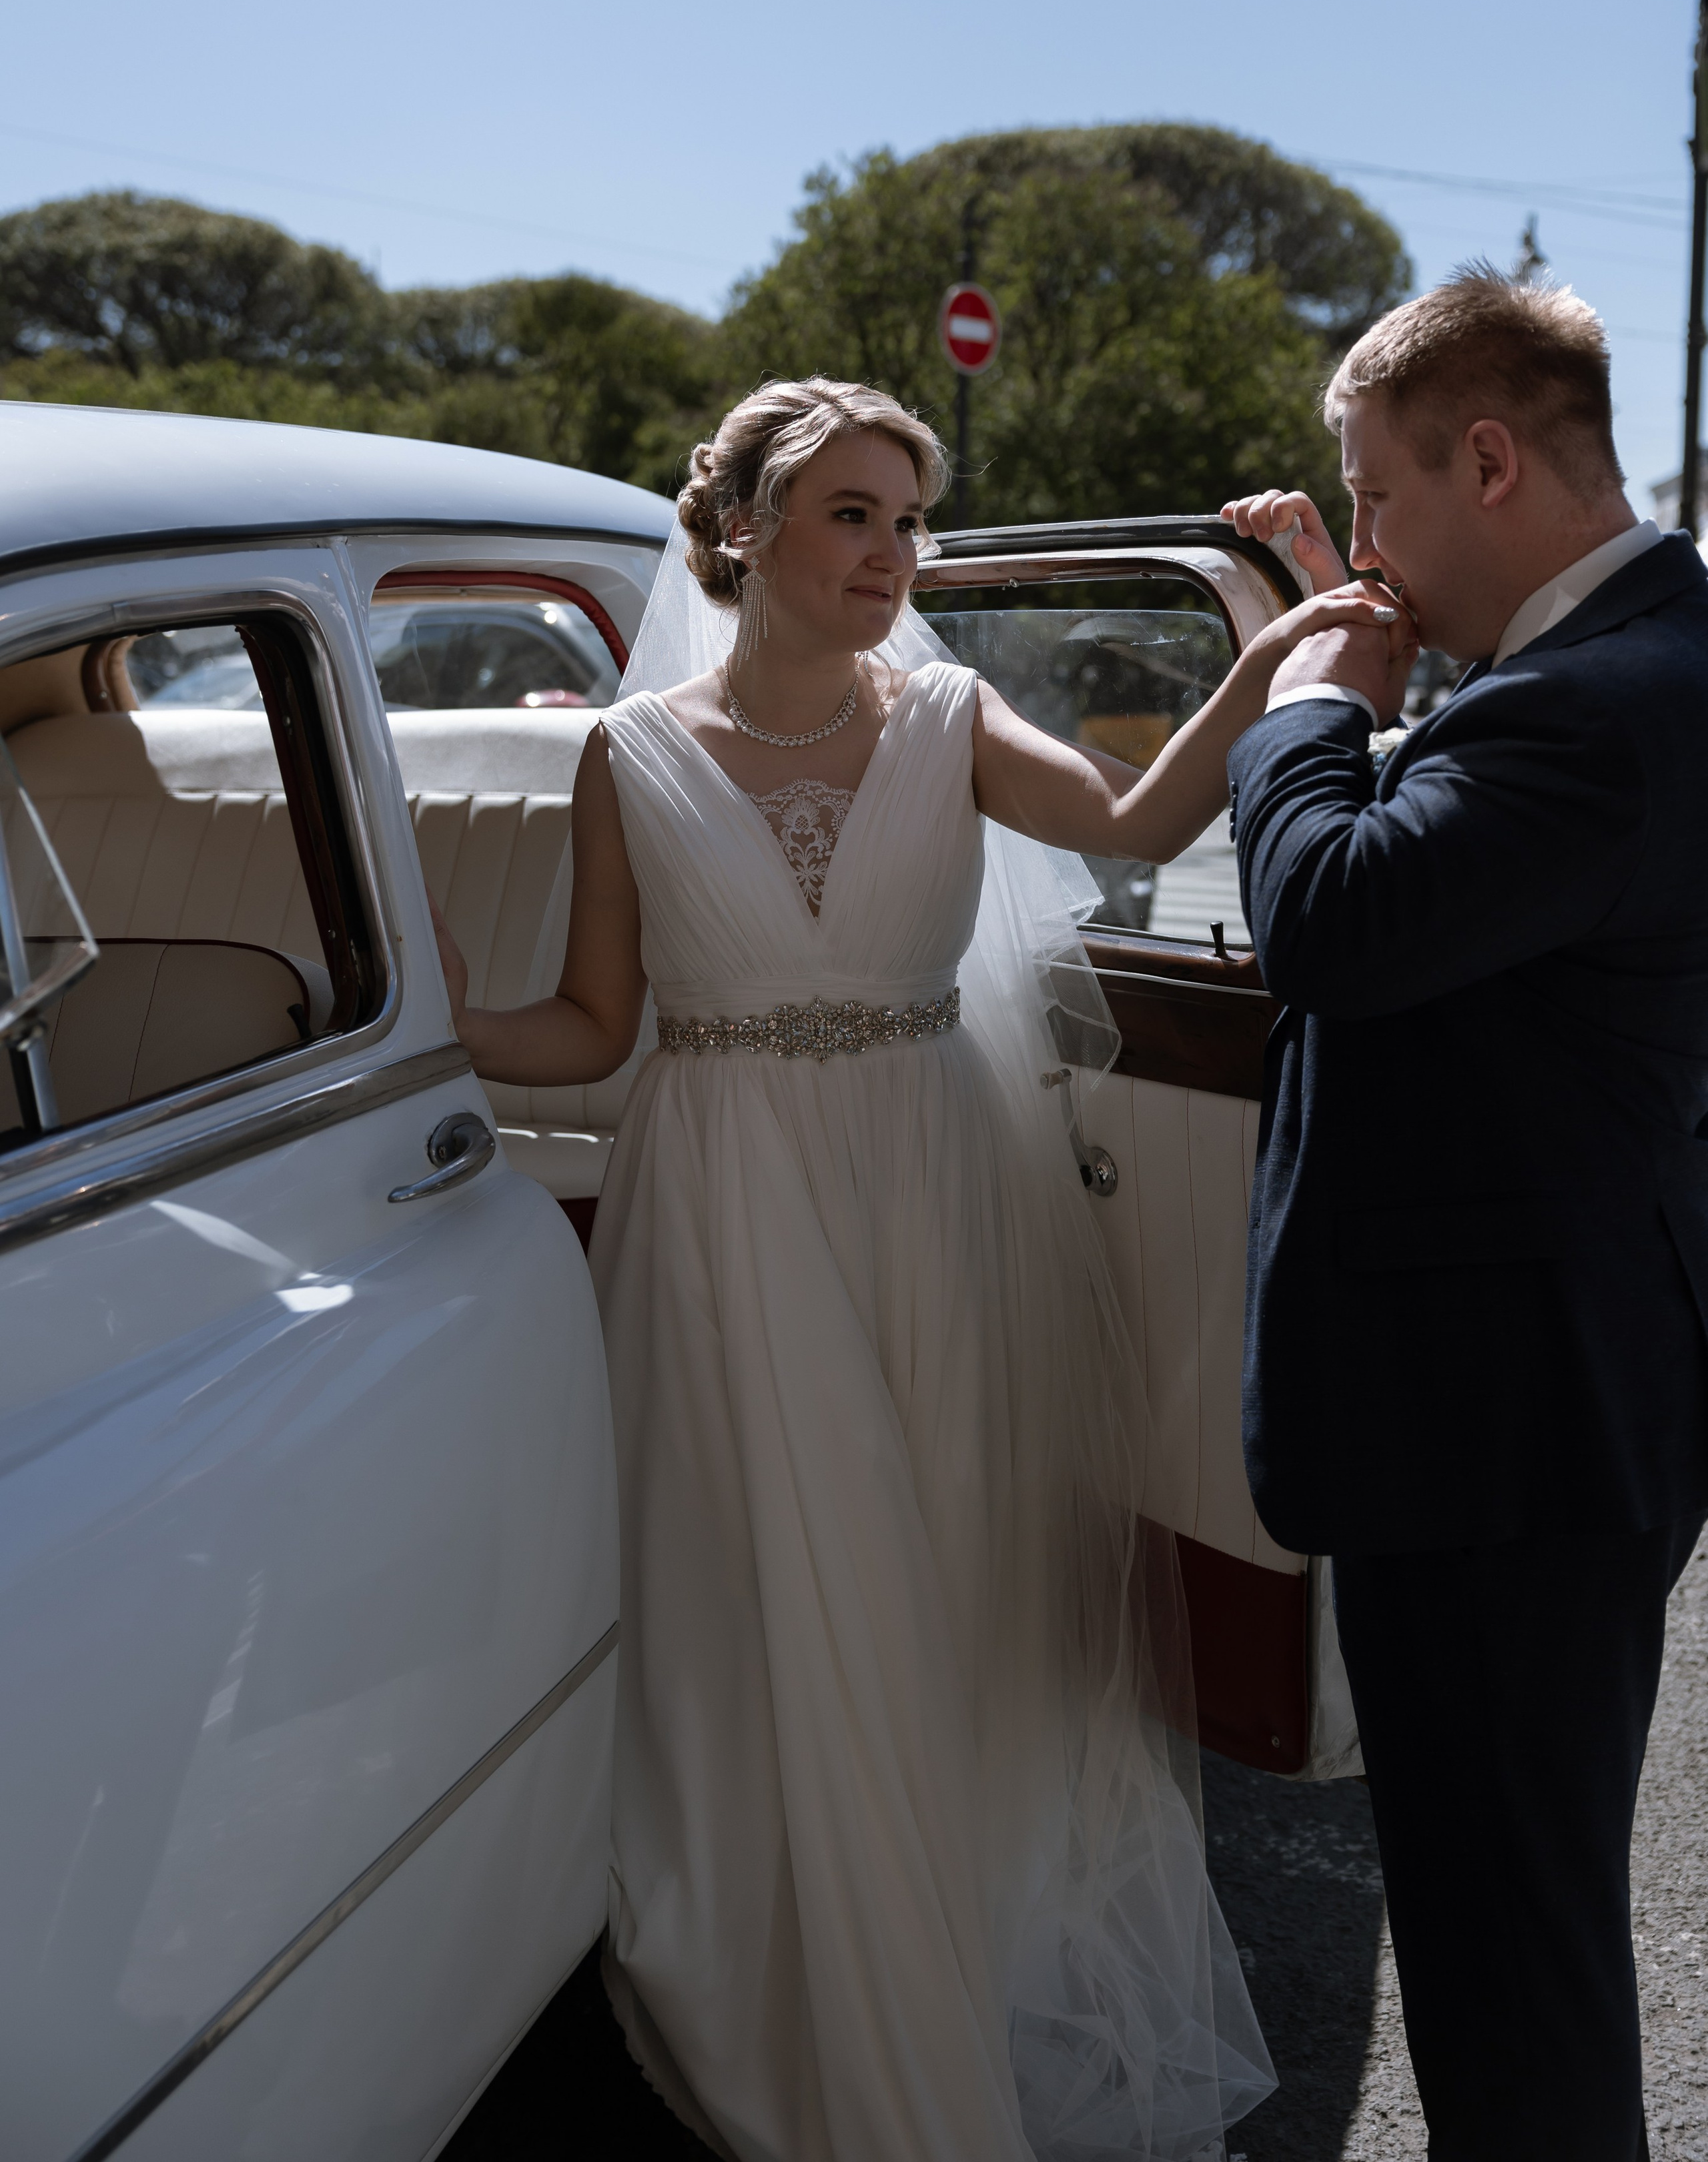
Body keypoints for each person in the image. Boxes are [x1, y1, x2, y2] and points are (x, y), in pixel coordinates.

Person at [433, 376, 1397, 2162]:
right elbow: (589, 1029)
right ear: (744, 533)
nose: (892, 554)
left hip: (933, 1191)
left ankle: (945, 1943)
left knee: (937, 1578)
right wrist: (430, 1029)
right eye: (853, 515)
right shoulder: (625, 757)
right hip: (723, 1212)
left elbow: (1131, 823)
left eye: (907, 519)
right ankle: (800, 1962)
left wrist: (1273, 664)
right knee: (758, 1592)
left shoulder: (951, 714)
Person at [1222, 267, 1708, 2162]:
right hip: (1557, 1390)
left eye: (1376, 497)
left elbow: (1336, 923)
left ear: (1488, 461)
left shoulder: (1597, 707)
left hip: (1502, 1431)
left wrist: (1309, 713)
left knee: (1509, 1970)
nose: (1364, 547)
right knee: (1515, 1936)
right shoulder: (1635, 657)